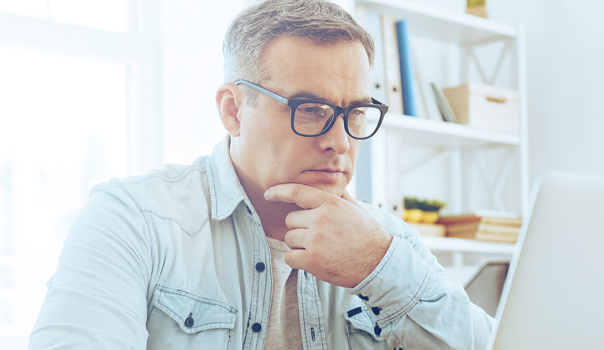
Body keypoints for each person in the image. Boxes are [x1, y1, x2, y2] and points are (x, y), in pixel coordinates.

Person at [28, 0, 496, 349]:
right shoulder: (133, 220)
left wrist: (380, 267)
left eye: (355, 113)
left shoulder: (388, 243)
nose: (341, 142)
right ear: (233, 111)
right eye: (310, 110)